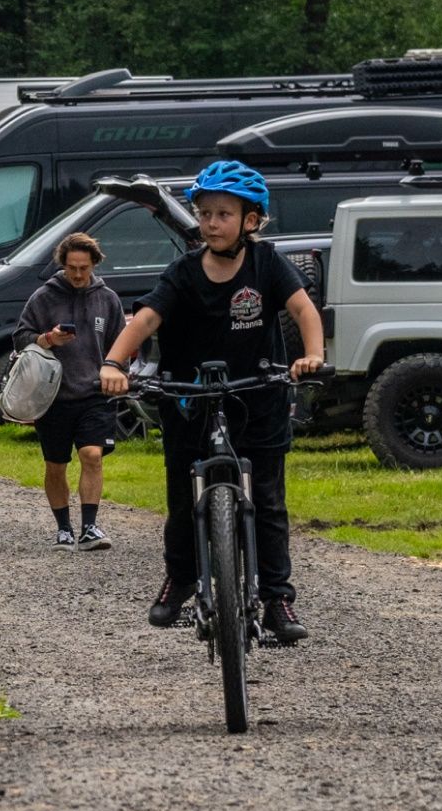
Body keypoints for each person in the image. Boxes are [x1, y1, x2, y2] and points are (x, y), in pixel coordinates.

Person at [97, 161, 327, 644]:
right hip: (189, 400)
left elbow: (303, 308)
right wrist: (114, 364)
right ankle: (180, 579)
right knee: (183, 502)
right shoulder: (182, 272)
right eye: (204, 214)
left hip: (257, 395)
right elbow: (144, 322)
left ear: (251, 220)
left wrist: (312, 356)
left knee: (267, 502)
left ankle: (277, 598)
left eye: (224, 214)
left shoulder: (267, 264)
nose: (211, 223)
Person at [16, 231, 127, 550]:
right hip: (52, 396)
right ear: (62, 264)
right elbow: (20, 337)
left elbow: (121, 344)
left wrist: (118, 371)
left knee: (92, 455)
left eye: (84, 267)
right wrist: (47, 339)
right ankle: (63, 528)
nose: (78, 274)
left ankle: (90, 527)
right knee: (56, 464)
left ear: (94, 264)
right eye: (72, 268)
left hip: (95, 393)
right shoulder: (43, 297)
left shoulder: (108, 299)